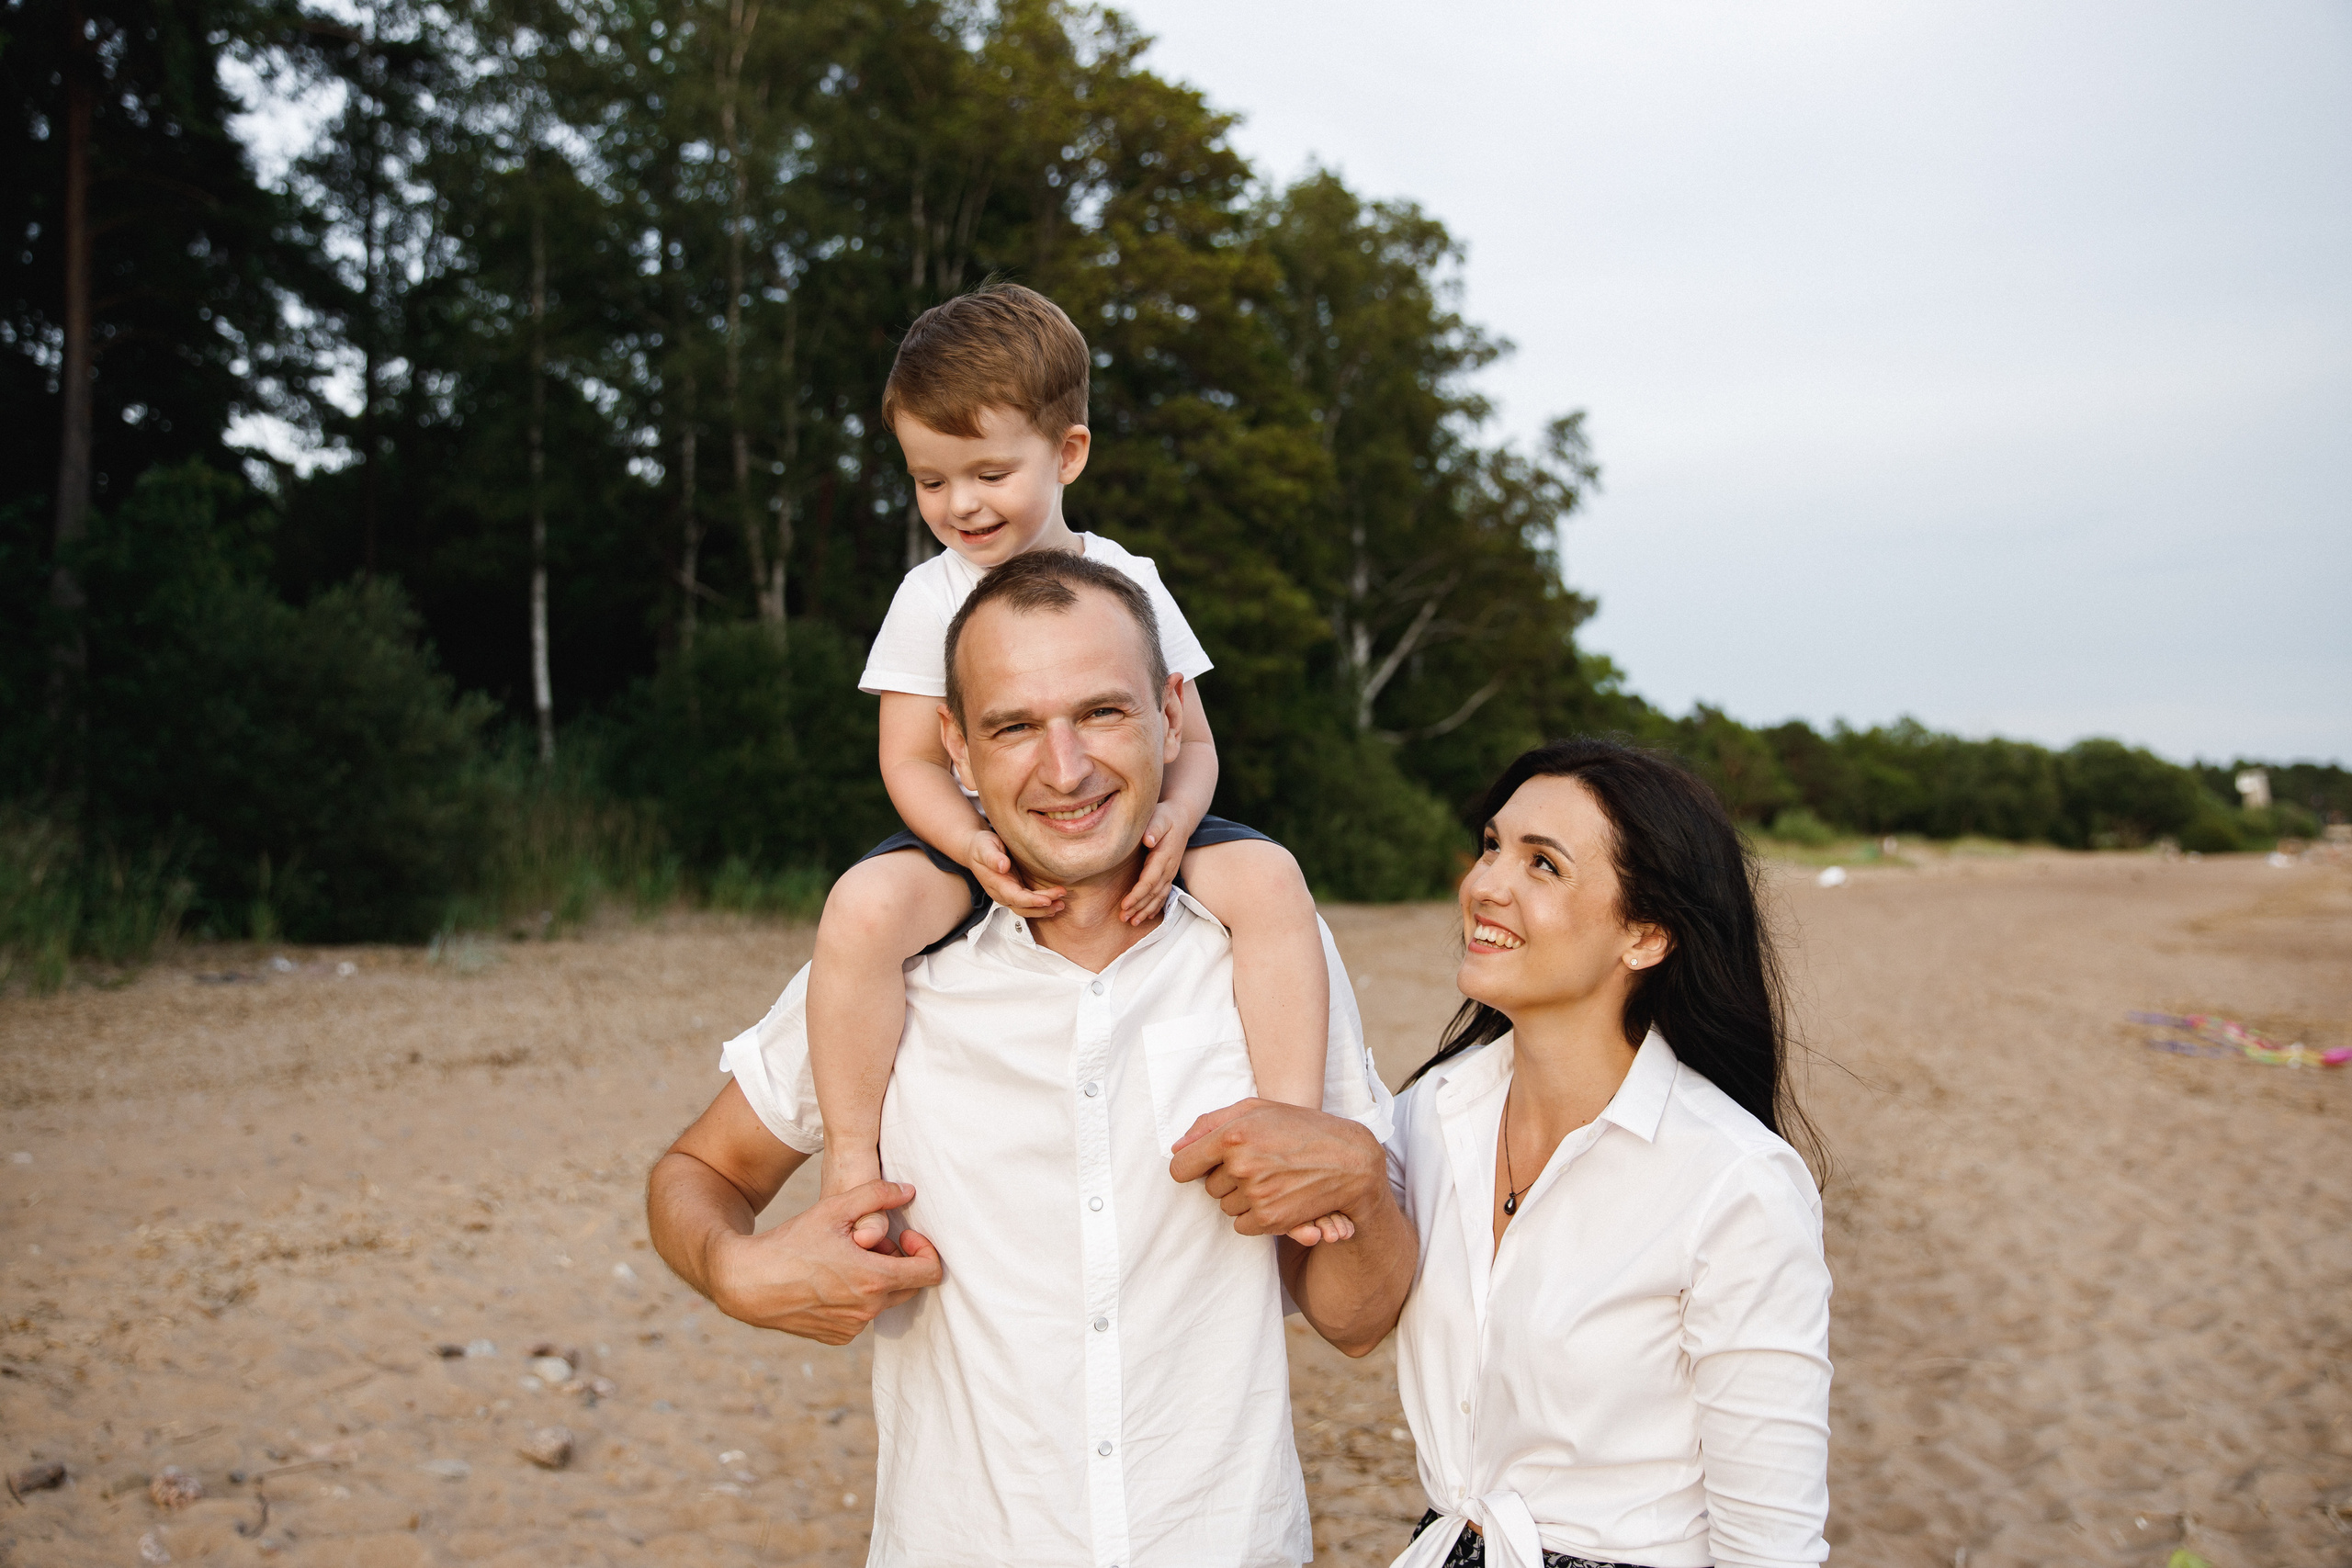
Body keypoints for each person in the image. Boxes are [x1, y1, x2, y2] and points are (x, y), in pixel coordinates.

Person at [645, 550, 1403, 1568]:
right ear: (954, 745)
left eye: (1100, 713)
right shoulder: (882, 969)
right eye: (1013, 725)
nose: (1064, 769)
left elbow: (1357, 1318)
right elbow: (699, 1173)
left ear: (1170, 713)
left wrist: (1355, 1175)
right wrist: (732, 1270)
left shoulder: (1268, 952)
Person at [1174, 738, 1834, 1568]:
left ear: (1646, 935)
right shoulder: (1433, 1114)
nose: (1486, 884)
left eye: (1542, 865)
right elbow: (1348, 1323)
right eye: (1492, 846)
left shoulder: (1737, 1183)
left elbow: (1771, 1545)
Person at [806, 278, 1345, 1249]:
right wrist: (971, 846)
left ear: (1068, 453)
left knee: (1268, 881)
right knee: (859, 912)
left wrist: (1177, 820)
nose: (959, 505)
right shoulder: (929, 598)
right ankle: (851, 1165)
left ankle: (1290, 1130)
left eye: (986, 473)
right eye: (931, 481)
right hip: (976, 827)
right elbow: (912, 763)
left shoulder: (1128, 580)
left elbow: (1196, 738)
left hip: (1136, 814)